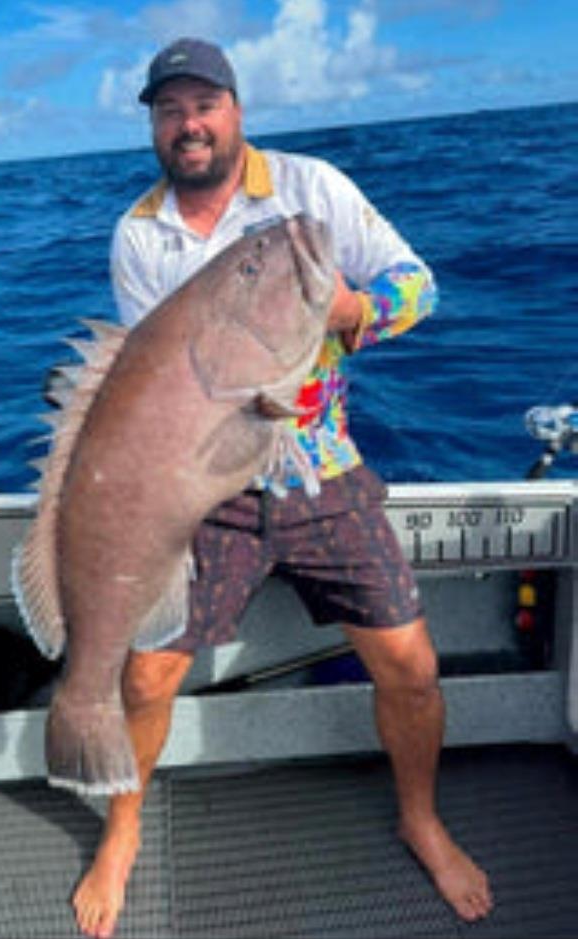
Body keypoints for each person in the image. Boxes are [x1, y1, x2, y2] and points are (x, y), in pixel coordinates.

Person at [71, 36, 493, 939]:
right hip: (209, 490)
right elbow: (150, 390)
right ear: (153, 122)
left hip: (324, 471)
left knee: (413, 667)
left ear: (236, 108)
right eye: (169, 108)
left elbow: (420, 287)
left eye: (204, 103)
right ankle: (124, 823)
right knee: (144, 676)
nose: (189, 123)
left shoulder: (314, 190)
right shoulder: (139, 233)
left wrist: (353, 313)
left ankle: (420, 817)